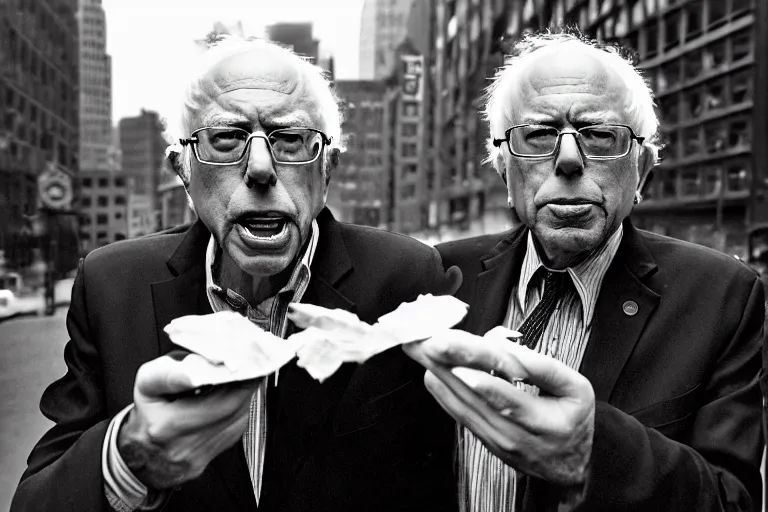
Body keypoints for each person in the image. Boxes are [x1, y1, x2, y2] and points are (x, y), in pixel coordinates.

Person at [12, 37, 460, 512]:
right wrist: (129, 455)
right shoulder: (111, 287)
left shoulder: (405, 278)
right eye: (226, 138)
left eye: (290, 139)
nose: (262, 168)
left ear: (327, 169)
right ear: (182, 169)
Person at [404, 31, 765, 511]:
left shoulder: (722, 298)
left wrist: (593, 455)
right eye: (538, 135)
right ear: (503, 171)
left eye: (598, 135)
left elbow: (734, 502)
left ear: (643, 169)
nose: (569, 160)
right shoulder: (437, 276)